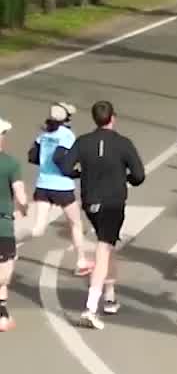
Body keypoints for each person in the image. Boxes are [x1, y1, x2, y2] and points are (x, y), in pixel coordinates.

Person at [55, 101, 145, 331]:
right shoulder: (124, 143)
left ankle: (110, 296)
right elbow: (139, 175)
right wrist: (127, 178)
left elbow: (66, 168)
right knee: (104, 250)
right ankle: (90, 307)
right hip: (113, 203)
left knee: (108, 244)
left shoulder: (83, 141)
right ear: (113, 118)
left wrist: (80, 172)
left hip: (90, 202)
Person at [26, 103, 88, 274]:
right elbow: (59, 157)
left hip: (43, 185)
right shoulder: (67, 135)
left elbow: (32, 156)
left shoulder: (44, 135)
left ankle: (10, 245)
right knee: (75, 224)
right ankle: (81, 262)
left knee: (38, 228)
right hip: (62, 187)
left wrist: (46, 165)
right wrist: (72, 173)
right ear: (67, 118)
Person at [0, 118, 28, 334]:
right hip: (3, 226)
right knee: (4, 273)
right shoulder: (10, 164)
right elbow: (20, 195)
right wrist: (25, 209)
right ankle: (1, 314)